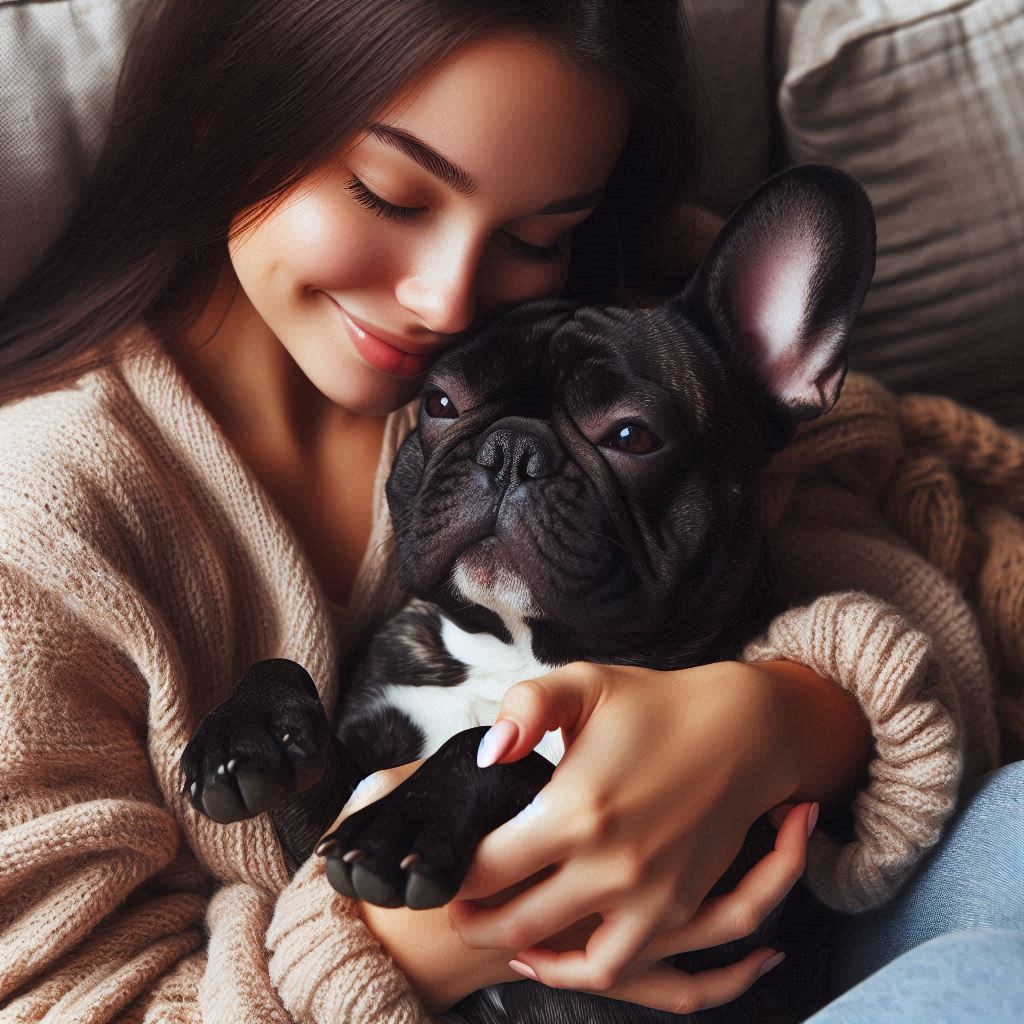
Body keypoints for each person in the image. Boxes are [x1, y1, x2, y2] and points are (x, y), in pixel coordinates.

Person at [0, 1, 1016, 1021]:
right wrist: (438, 931)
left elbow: (929, 552)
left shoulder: (627, 305)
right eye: (389, 192)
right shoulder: (41, 520)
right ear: (228, 116)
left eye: (540, 235)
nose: (446, 300)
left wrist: (781, 721)